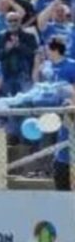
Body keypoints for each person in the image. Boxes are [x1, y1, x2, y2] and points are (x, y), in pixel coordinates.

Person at [32, 37, 75, 191]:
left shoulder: (71, 66)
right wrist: (36, 66)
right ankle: (44, 170)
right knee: (46, 140)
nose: (46, 53)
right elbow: (36, 82)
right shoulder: (46, 66)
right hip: (48, 111)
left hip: (67, 114)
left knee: (63, 142)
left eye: (48, 50)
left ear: (55, 50)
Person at [0, 12, 37, 96]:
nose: (13, 23)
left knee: (26, 99)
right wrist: (6, 49)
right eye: (10, 21)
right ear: (5, 22)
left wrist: (19, 46)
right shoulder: (0, 37)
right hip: (6, 76)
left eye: (15, 20)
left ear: (20, 21)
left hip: (24, 75)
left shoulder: (29, 36)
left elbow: (33, 54)